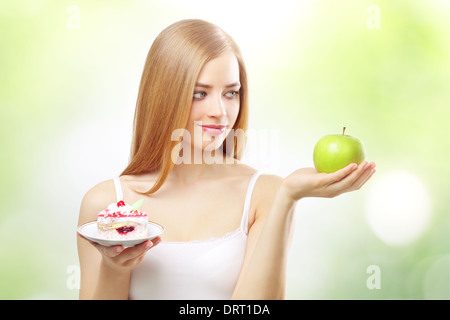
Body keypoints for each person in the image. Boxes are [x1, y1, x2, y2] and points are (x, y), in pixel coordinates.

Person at [77, 19, 376, 300]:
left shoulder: (264, 194)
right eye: (199, 94)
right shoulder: (105, 202)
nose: (220, 111)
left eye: (231, 93)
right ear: (163, 95)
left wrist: (288, 196)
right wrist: (115, 267)